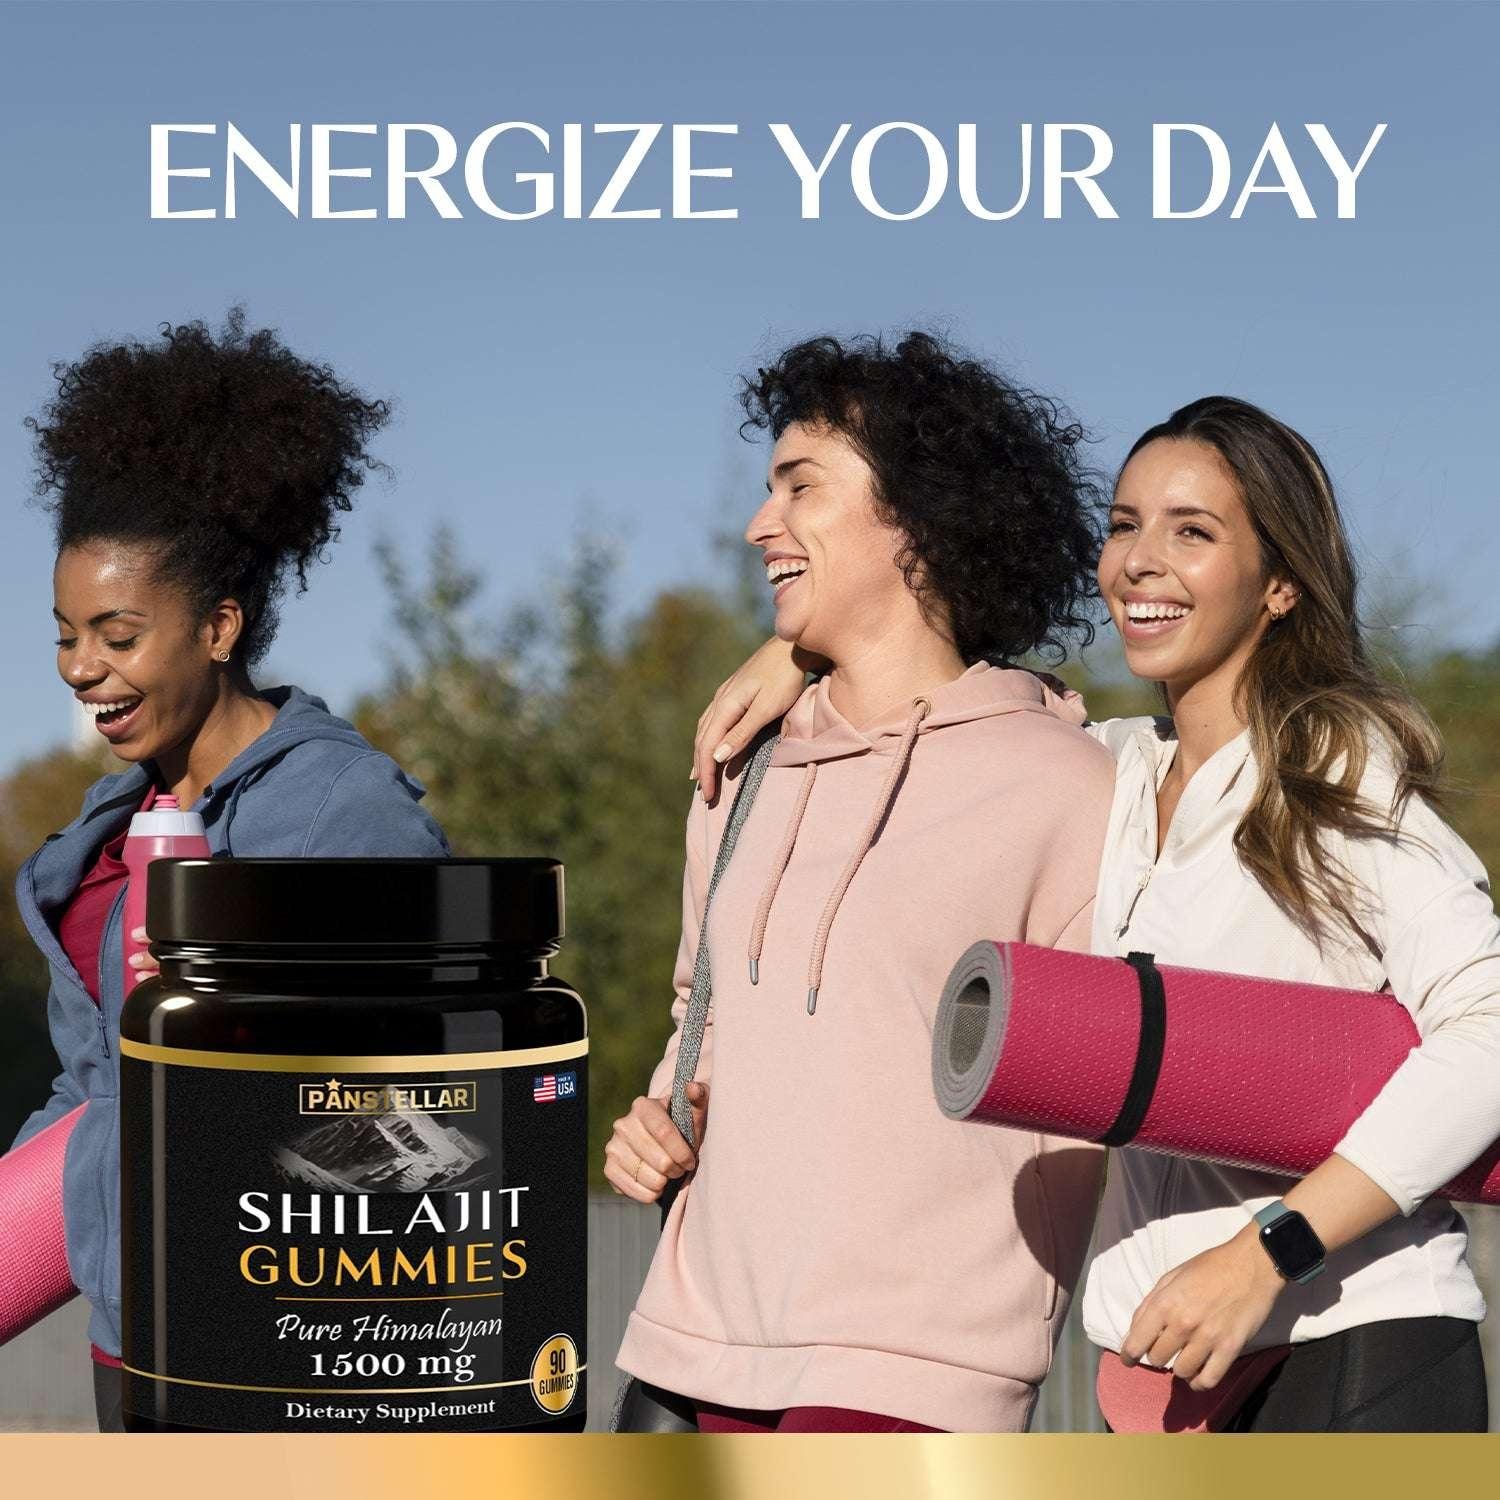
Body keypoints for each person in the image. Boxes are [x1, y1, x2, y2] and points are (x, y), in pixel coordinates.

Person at [691, 394, 1499, 1432]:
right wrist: (802, 653)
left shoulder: (1332, 775)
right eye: (1124, 526)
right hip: (1159, 1375)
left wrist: (1270, 1250)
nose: (1138, 561)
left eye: (1192, 532)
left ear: (1282, 583)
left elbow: (1485, 1031)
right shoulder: (1105, 770)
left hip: (1348, 1339)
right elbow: (948, 694)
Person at [606, 332, 1117, 1433]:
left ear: (919, 522)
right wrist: (658, 1113)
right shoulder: (736, 768)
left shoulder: (1067, 786)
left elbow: (1095, 1101)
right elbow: (704, 1014)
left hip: (912, 1374)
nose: (758, 525)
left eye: (801, 487)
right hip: (688, 1349)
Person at [9, 311, 450, 1432]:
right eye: (65, 634)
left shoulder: (341, 807)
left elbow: (406, 1090)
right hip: (132, 1310)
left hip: (282, 1327)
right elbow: (94, 1083)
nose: (82, 670)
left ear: (217, 625)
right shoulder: (110, 823)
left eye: (117, 633)